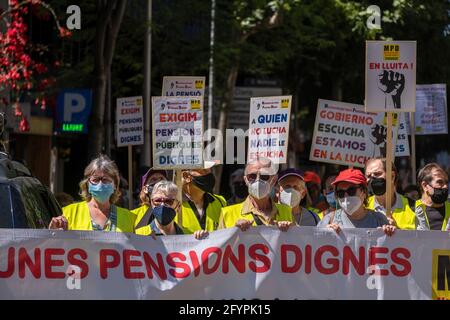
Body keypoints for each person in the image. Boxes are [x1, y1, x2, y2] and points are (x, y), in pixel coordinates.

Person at [49, 155, 136, 232]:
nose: (100, 184)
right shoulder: (69, 213)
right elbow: (57, 244)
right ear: (87, 184)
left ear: (115, 185)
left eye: (105, 180)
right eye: (95, 180)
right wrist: (53, 232)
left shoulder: (129, 218)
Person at [219, 157, 293, 232]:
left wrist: (290, 230)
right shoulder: (227, 214)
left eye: (264, 176)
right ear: (246, 180)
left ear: (273, 180)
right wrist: (234, 231)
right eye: (252, 176)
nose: (258, 180)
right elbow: (221, 242)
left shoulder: (287, 212)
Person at [317, 168, 396, 236]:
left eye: (351, 191)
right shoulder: (328, 220)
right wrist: (324, 236)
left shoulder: (379, 220)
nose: (346, 196)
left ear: (364, 192)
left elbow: (395, 246)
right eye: (340, 193)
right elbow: (313, 247)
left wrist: (391, 233)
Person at [134, 181, 208, 239]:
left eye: (169, 201)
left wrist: (202, 240)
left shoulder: (188, 236)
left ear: (178, 206)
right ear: (151, 203)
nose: (162, 205)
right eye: (157, 201)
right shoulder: (138, 235)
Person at [364, 157, 416, 229]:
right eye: (368, 176)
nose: (372, 179)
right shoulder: (363, 207)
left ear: (392, 176)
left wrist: (398, 231)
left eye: (377, 174)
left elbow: (424, 238)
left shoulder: (414, 208)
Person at [178, 161, 227, 234]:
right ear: (186, 176)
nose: (209, 174)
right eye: (203, 170)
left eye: (209, 170)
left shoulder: (220, 201)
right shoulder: (172, 205)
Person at [415, 163, 449, 231]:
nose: (445, 186)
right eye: (440, 182)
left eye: (446, 182)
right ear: (425, 186)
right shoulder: (412, 209)